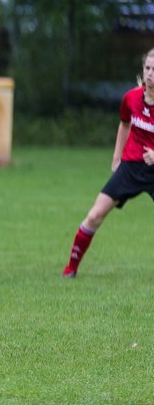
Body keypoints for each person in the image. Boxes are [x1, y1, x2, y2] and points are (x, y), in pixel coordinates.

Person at [61, 47, 154, 278]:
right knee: (94, 215)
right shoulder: (131, 97)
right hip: (131, 166)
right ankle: (71, 268)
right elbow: (124, 123)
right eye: (148, 68)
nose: (151, 73)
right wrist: (116, 158)